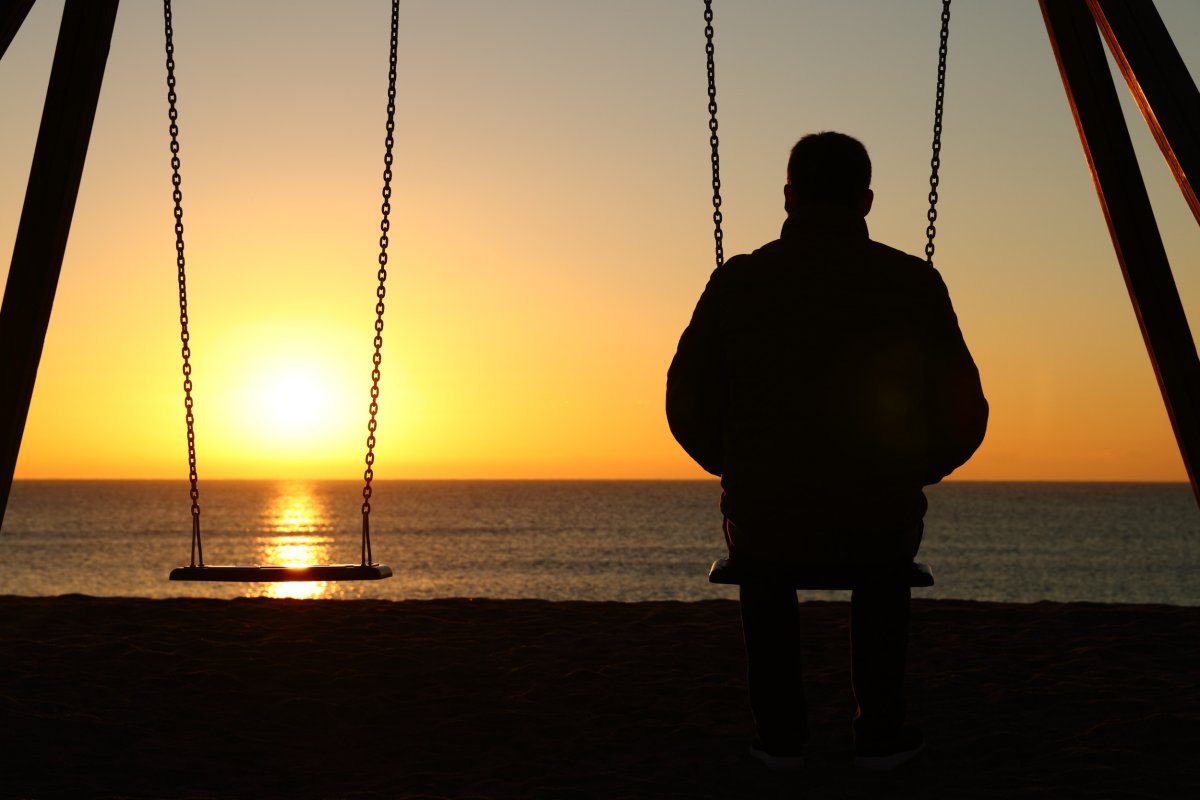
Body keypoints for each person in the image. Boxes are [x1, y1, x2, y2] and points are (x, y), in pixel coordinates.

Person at [666, 131, 987, 773]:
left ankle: (781, 738)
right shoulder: (912, 282)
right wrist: (913, 470)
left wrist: (735, 464)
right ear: (867, 200)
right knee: (883, 545)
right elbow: (966, 414)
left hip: (765, 513)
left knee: (762, 546)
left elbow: (684, 401)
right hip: (878, 514)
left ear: (788, 197)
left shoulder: (741, 281)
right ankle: (880, 732)